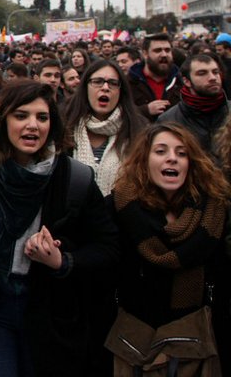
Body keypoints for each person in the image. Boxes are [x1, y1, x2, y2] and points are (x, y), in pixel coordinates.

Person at [0, 80, 120, 377]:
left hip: (51, 313)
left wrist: (62, 261)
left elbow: (108, 249)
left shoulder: (76, 179)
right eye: (21, 116)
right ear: (2, 121)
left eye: (42, 117)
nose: (32, 125)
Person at [110, 123, 231, 371]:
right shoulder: (119, 209)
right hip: (134, 342)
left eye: (181, 153)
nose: (172, 159)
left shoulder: (214, 211)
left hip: (194, 345)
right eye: (161, 151)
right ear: (144, 160)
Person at [65, 60, 147, 195]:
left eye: (113, 83)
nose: (105, 87)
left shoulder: (139, 130)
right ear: (86, 87)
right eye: (97, 81)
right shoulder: (66, 127)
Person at [158, 53, 230, 162]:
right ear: (186, 81)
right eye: (202, 73)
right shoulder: (169, 121)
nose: (212, 78)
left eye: (215, 72)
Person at [128, 33, 182, 119]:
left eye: (167, 50)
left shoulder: (181, 82)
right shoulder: (129, 82)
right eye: (158, 50)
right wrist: (145, 110)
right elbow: (120, 113)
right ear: (145, 54)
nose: (164, 54)